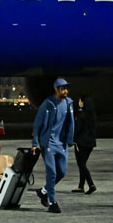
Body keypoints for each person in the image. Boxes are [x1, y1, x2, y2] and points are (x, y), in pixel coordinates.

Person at [32, 78, 75, 214]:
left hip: (61, 143)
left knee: (61, 172)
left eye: (66, 88)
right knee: (52, 173)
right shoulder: (48, 104)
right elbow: (37, 124)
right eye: (62, 89)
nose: (65, 91)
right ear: (56, 89)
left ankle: (43, 191)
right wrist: (35, 143)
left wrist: (70, 139)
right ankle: (52, 203)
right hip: (48, 143)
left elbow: (71, 123)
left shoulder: (69, 103)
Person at [72, 95, 97, 195]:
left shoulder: (80, 114)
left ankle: (91, 185)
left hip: (81, 142)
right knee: (83, 164)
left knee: (81, 164)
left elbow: (78, 128)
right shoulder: (92, 115)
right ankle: (81, 186)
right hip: (90, 143)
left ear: (82, 103)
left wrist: (72, 139)